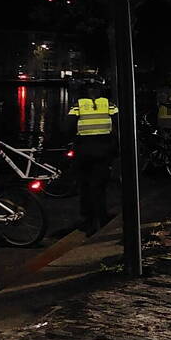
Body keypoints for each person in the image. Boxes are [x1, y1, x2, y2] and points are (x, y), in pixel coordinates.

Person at [68, 83, 118, 235]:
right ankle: (102, 218)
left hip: (83, 151)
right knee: (100, 186)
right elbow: (118, 123)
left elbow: (68, 126)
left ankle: (88, 220)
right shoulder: (109, 105)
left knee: (85, 185)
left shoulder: (78, 105)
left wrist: (73, 141)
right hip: (104, 151)